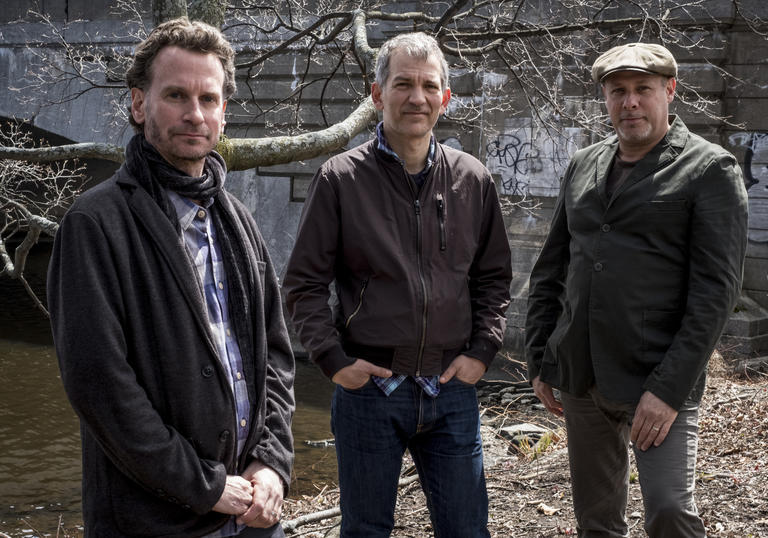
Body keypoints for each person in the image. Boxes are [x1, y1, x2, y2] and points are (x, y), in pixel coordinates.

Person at [47, 18, 294, 538]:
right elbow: (101, 389)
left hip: (249, 513)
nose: (195, 113)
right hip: (155, 520)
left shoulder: (237, 218)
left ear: (224, 111)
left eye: (209, 98)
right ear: (139, 104)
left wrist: (272, 461)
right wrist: (203, 485)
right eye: (176, 95)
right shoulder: (95, 223)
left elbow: (274, 355)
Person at [283, 32, 512, 537]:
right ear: (377, 93)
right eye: (403, 84)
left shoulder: (472, 179)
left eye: (430, 86)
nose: (417, 97)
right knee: (365, 531)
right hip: (370, 390)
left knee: (467, 530)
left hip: (450, 388)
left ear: (445, 98)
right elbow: (302, 285)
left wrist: (482, 351)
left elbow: (494, 278)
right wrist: (333, 361)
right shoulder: (340, 179)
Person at [526, 42, 748, 537]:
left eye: (642, 90)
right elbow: (552, 267)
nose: (630, 103)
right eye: (617, 92)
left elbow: (716, 293)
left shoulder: (710, 170)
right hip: (583, 374)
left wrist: (667, 391)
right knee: (597, 521)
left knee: (669, 511)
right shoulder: (584, 163)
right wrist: (542, 356)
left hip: (659, 374)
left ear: (669, 91)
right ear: (605, 99)